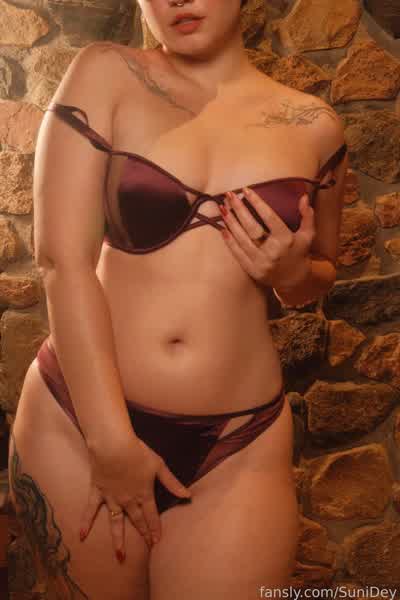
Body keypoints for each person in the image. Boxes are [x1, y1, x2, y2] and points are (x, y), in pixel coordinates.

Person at [8, 0, 348, 598]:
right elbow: (61, 260)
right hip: (80, 424)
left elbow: (317, 275)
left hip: (239, 441)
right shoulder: (106, 72)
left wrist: (291, 271)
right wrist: (110, 443)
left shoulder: (315, 125)